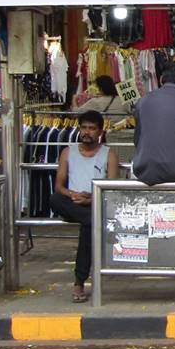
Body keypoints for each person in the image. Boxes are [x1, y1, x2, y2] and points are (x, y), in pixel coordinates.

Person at [50, 109, 120, 303]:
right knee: (55, 199)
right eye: (84, 128)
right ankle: (80, 281)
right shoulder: (68, 152)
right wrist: (73, 195)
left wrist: (90, 200)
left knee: (90, 221)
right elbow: (59, 186)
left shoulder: (109, 154)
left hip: (94, 203)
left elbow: (112, 188)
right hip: (72, 203)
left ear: (100, 132)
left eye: (92, 128)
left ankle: (79, 282)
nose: (87, 132)